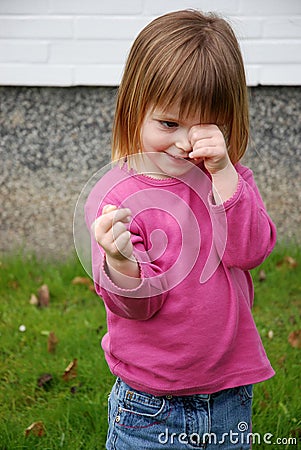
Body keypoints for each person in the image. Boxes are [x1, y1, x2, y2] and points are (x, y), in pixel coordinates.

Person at [85, 9, 277, 449]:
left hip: (229, 392)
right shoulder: (117, 197)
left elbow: (251, 251)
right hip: (149, 405)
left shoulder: (228, 178)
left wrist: (225, 174)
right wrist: (120, 261)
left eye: (206, 126)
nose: (186, 143)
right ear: (135, 109)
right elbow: (138, 308)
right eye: (169, 124)